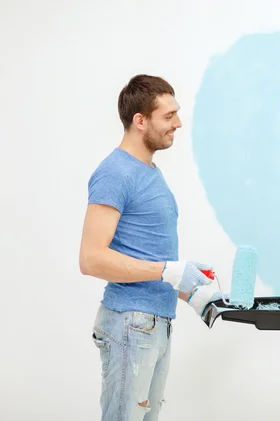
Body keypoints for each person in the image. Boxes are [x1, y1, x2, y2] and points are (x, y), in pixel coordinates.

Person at [79, 74, 223, 421]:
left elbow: (145, 255)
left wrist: (188, 289)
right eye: (168, 116)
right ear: (140, 121)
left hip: (154, 324)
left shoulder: (150, 172)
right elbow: (91, 258)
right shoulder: (116, 172)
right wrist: (169, 271)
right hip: (130, 323)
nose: (178, 123)